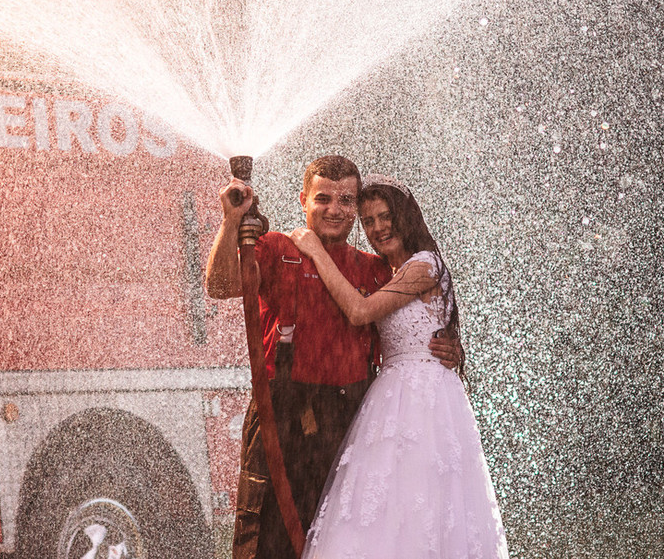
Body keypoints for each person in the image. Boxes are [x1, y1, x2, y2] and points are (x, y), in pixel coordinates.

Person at [206, 156, 461, 559]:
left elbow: (421, 308)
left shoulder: (376, 269)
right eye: (323, 198)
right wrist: (230, 222)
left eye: (346, 200)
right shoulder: (276, 249)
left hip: (352, 417)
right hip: (284, 414)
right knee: (269, 539)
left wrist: (445, 342)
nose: (335, 209)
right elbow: (220, 285)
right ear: (304, 199)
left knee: (346, 541)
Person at [290, 174, 507, 558]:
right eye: (368, 220)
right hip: (390, 393)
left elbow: (359, 313)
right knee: (382, 509)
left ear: (405, 216)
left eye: (385, 216)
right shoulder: (386, 272)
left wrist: (315, 250)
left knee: (418, 505)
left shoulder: (424, 265)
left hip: (422, 402)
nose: (377, 227)